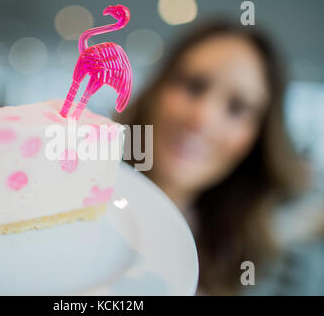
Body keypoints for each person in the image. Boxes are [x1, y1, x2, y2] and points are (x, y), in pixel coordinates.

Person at [116, 21, 312, 295]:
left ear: (259, 137)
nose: (202, 119)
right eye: (193, 86)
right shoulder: (74, 190)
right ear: (156, 90)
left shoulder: (263, 273)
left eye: (237, 107)